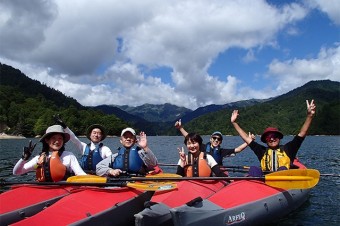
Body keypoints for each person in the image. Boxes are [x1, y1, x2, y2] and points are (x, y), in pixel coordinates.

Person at [230, 99, 316, 176]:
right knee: (253, 169)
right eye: (268, 137)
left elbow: (301, 134)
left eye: (274, 136)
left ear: (279, 137)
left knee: (282, 169)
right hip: (266, 181)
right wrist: (234, 123)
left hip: (283, 180)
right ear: (265, 141)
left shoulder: (289, 149)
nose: (271, 139)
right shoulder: (262, 151)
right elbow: (247, 139)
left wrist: (309, 116)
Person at [13, 125, 86, 182]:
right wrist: (24, 159)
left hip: (65, 189)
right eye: (54, 138)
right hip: (45, 189)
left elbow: (80, 174)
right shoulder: (39, 158)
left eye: (60, 138)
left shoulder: (69, 156)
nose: (57, 141)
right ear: (47, 140)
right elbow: (17, 172)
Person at [175, 119, 255, 166]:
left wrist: (249, 141)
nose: (216, 140)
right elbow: (190, 138)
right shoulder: (203, 147)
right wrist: (180, 128)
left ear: (220, 142)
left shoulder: (222, 151)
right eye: (214, 138)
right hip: (204, 171)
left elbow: (238, 149)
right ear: (211, 139)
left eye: (218, 139)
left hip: (217, 172)